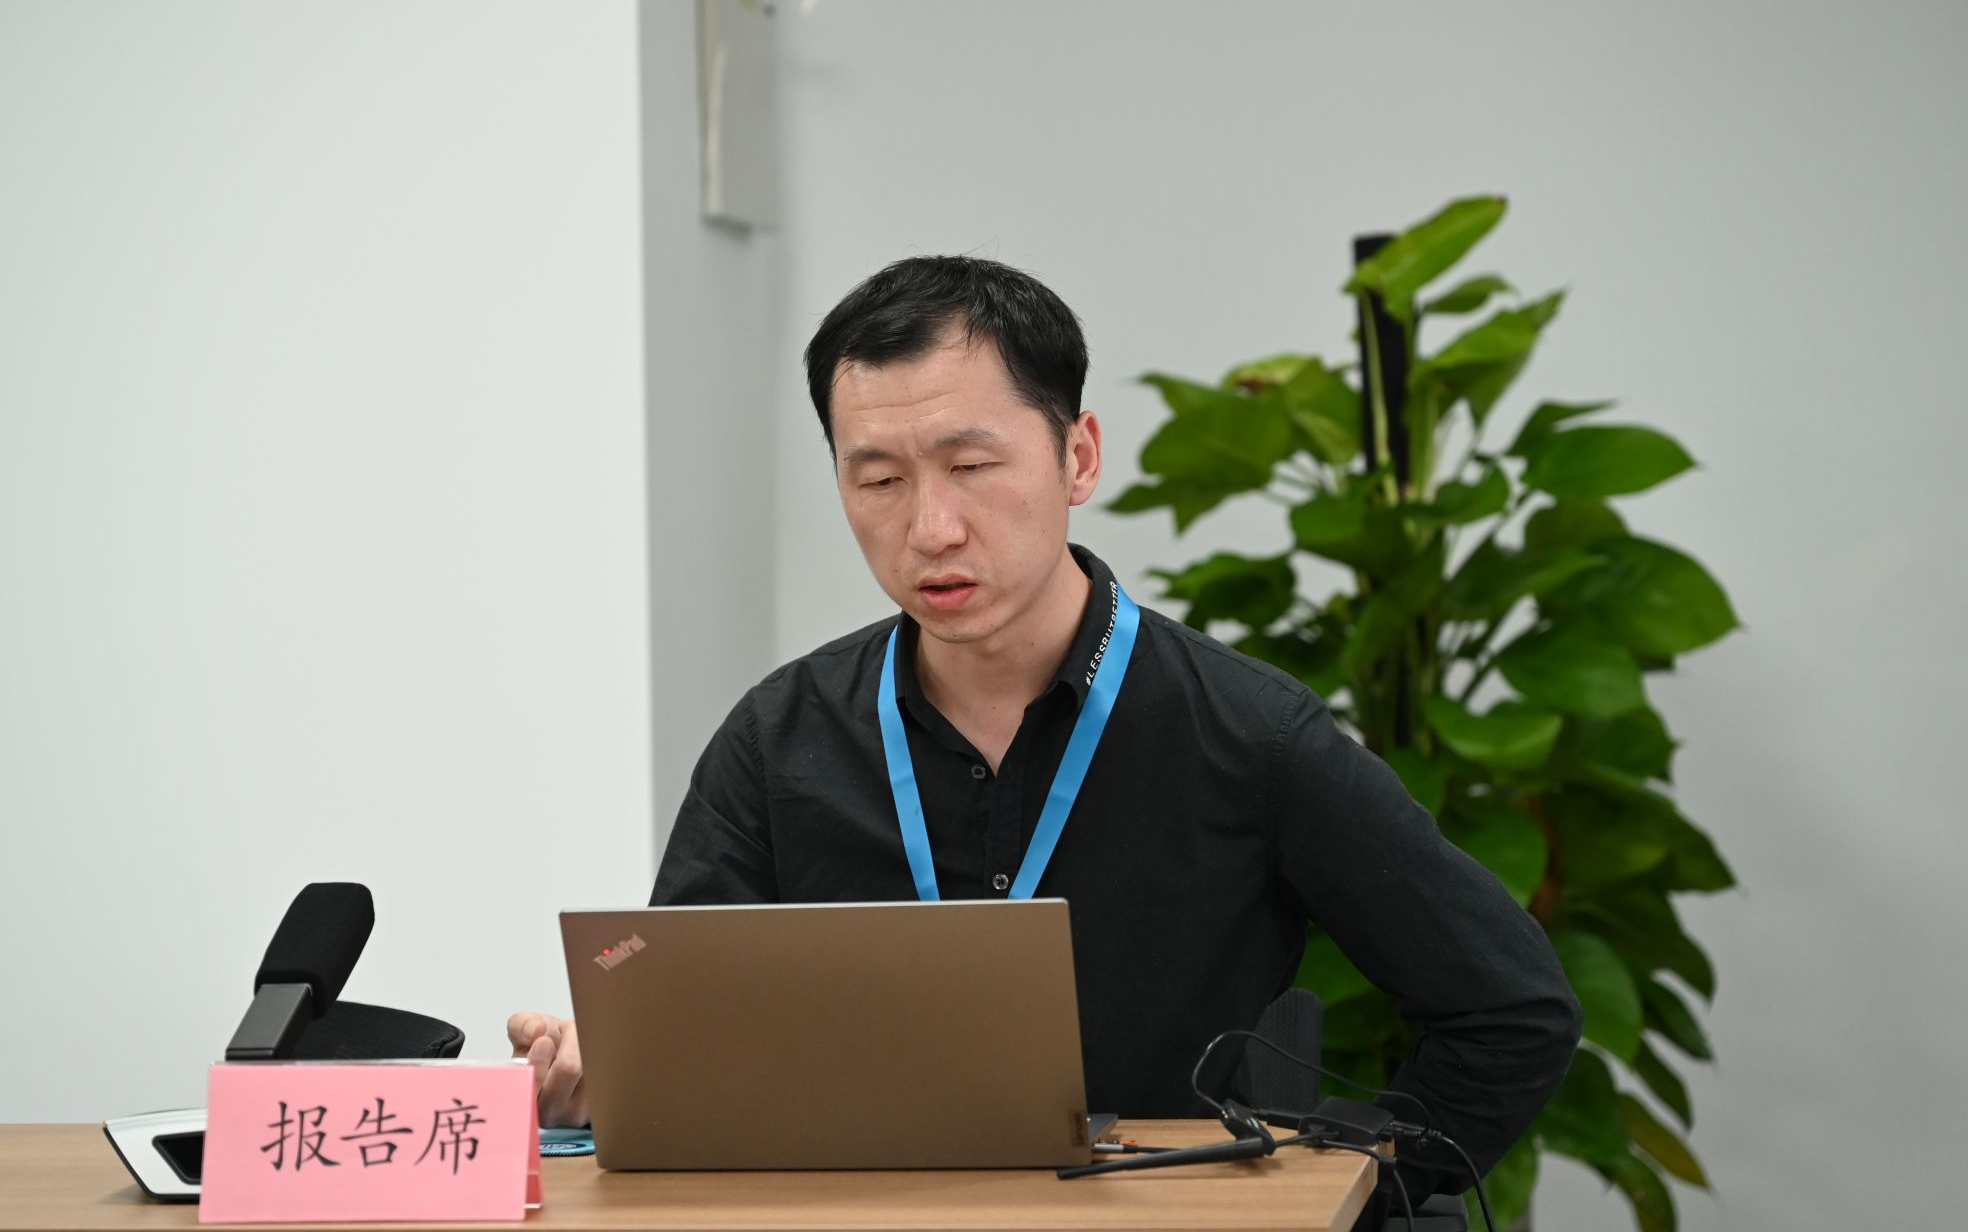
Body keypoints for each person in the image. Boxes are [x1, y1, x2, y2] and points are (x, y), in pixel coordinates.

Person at [509, 256, 1580, 1200]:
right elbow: (689, 1045)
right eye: (877, 478)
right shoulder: (780, 740)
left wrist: (1341, 1197)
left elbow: (1512, 1012)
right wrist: (604, 1075)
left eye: (973, 467)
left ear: (1078, 457)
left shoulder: (1251, 736)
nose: (930, 527)